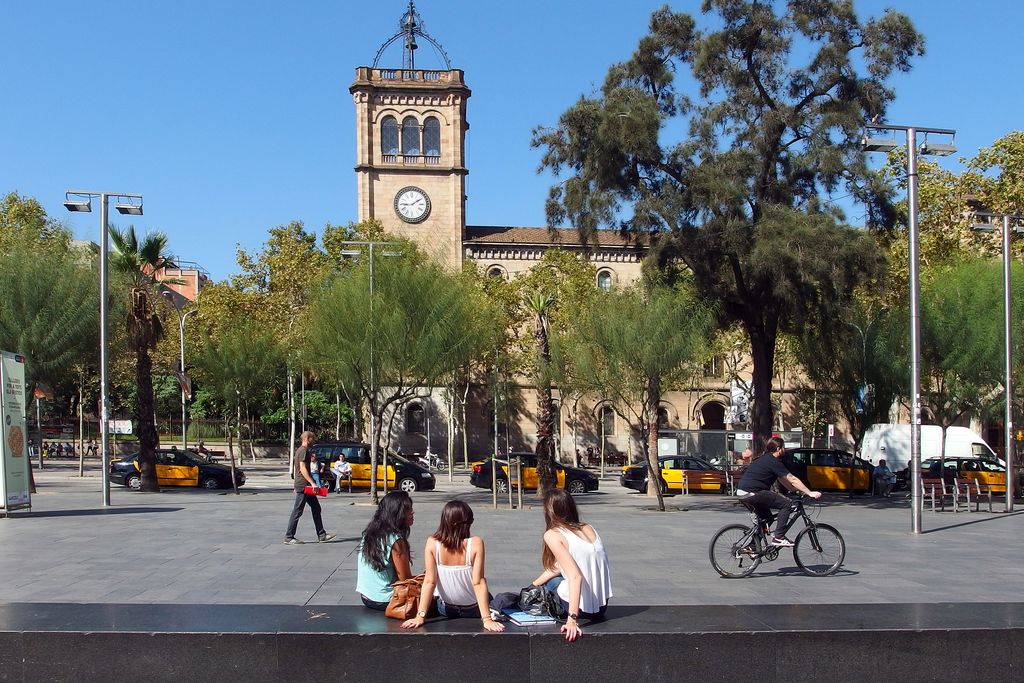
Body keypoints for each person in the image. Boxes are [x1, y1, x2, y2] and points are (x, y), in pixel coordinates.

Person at [401, 501, 504, 632]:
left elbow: (429, 581)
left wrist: (420, 616)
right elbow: (478, 582)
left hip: (446, 610)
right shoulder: (476, 543)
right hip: (473, 609)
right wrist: (487, 619)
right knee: (494, 598)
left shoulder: (432, 543)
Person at [527, 489, 612, 642]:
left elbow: (575, 576)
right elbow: (559, 566)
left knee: (552, 583)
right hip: (601, 608)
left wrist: (572, 619)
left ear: (550, 510)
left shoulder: (553, 534)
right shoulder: (589, 528)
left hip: (580, 610)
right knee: (553, 577)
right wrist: (532, 585)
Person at [735, 436, 822, 547]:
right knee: (787, 504)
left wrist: (794, 491)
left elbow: (783, 479)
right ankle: (779, 537)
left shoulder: (764, 458)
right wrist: (810, 492)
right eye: (783, 447)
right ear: (779, 449)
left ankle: (752, 547)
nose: (784, 450)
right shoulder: (773, 461)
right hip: (753, 493)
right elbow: (792, 479)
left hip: (743, 493)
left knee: (766, 519)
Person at [356, 491, 415, 610]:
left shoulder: (370, 533)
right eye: (408, 509)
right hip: (385, 599)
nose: (412, 512)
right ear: (397, 513)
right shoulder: (396, 541)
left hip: (366, 596)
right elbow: (405, 580)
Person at [283, 431, 335, 545]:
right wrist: (312, 483)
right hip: (304, 485)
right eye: (313, 438)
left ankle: (322, 535)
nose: (314, 440)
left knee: (316, 508)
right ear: (307, 438)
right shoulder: (303, 451)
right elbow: (302, 468)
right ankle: (289, 536)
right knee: (297, 511)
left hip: (303, 484)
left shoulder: (302, 451)